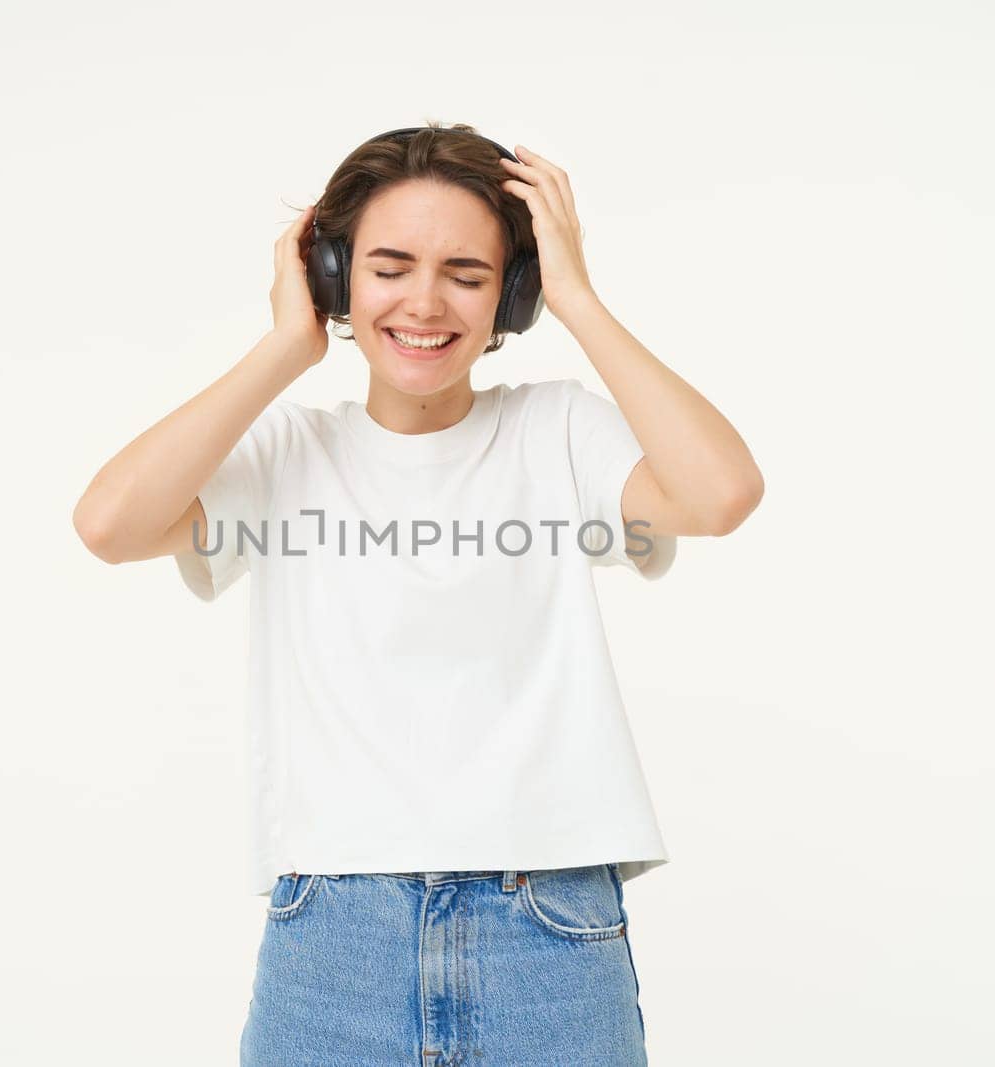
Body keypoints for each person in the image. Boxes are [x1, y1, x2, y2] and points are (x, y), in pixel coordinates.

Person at [72, 122, 764, 1066]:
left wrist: (581, 299)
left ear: (513, 295)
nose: (425, 303)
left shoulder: (558, 433)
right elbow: (109, 524)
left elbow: (719, 494)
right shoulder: (285, 454)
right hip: (334, 936)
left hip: (549, 927)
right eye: (388, 266)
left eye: (470, 274)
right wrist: (287, 344)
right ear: (332, 275)